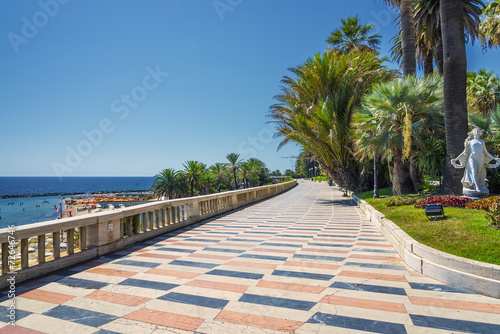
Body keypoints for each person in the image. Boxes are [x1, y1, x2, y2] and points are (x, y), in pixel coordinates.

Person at [452, 128, 500, 195]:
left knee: (479, 173)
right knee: (473, 171)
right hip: (472, 158)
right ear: (472, 132)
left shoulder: (482, 142)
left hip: (481, 159)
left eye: (478, 130)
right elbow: (464, 152)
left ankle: (478, 185)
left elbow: (486, 152)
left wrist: (494, 158)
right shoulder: (470, 142)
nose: (476, 131)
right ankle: (476, 187)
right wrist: (456, 159)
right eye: (475, 130)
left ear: (480, 133)